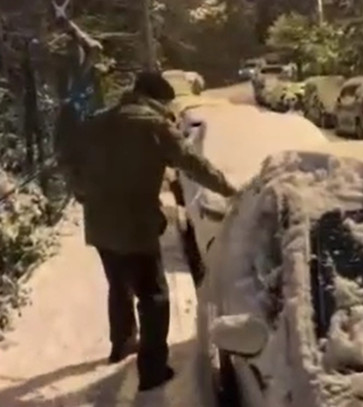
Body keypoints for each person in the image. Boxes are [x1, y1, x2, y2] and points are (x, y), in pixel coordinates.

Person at [58, 71, 238, 392]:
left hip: (100, 223)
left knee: (118, 284)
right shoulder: (155, 127)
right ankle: (153, 371)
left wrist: (80, 190)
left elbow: (68, 158)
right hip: (136, 223)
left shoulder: (98, 122)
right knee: (154, 296)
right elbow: (195, 164)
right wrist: (232, 191)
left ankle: (122, 343)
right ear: (157, 99)